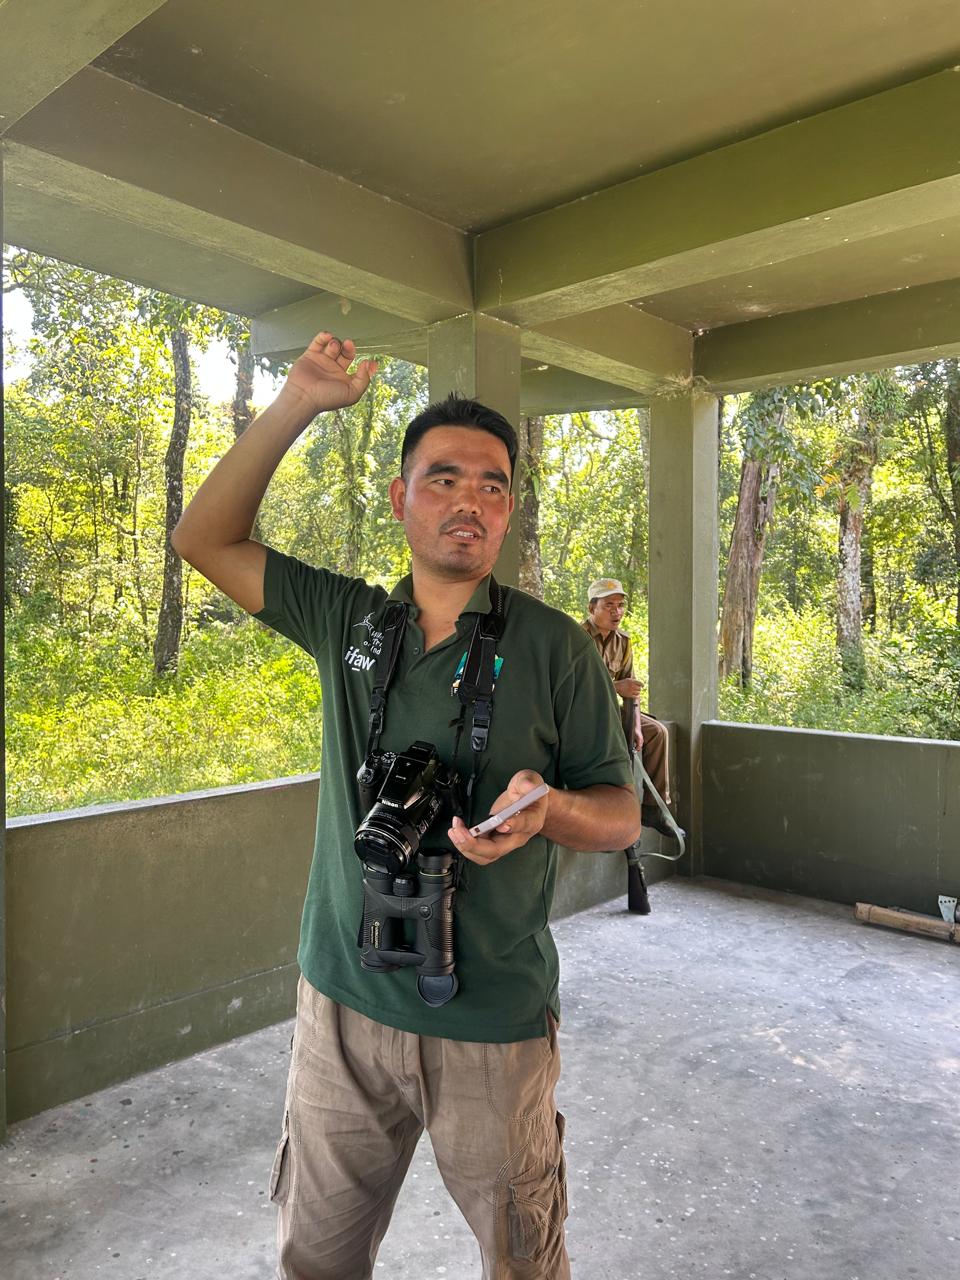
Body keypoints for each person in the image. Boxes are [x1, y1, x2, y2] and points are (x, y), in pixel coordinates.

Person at [172, 332, 640, 1280]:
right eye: (445, 479)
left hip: (492, 1023)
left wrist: (546, 813)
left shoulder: (556, 647)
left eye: (494, 485)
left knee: (523, 1260)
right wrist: (298, 400)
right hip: (339, 1007)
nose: (471, 500)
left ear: (508, 513)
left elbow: (623, 813)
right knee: (317, 1256)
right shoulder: (348, 620)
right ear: (400, 499)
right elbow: (202, 539)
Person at [581, 578, 684, 842]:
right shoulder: (577, 638)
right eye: (608, 606)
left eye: (620, 606)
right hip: (584, 713)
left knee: (657, 733)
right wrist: (617, 686)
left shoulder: (623, 642)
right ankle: (611, 814)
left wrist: (636, 725)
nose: (616, 612)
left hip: (615, 712)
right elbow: (575, 686)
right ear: (592, 608)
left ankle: (653, 809)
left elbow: (633, 691)